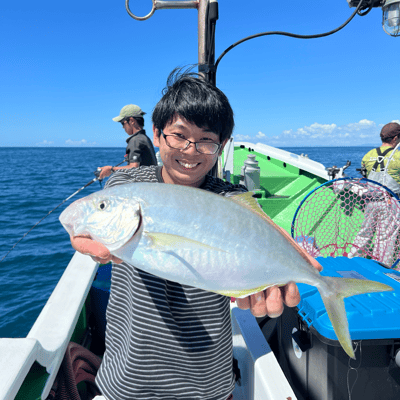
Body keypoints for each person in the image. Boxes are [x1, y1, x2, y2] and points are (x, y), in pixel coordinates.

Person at [71, 69, 321, 400]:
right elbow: (92, 222)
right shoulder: (126, 189)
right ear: (157, 134)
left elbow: (256, 230)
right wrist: (85, 233)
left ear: (221, 145)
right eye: (179, 135)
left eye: (206, 140)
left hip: (208, 382)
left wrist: (285, 266)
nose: (191, 150)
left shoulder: (230, 198)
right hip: (130, 377)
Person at [348, 122, 400, 265]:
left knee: (364, 233)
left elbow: (365, 177)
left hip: (370, 201)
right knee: (385, 239)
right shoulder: (398, 156)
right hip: (390, 202)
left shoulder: (368, 155)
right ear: (395, 138)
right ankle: (382, 268)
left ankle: (352, 261)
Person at [98, 104, 157, 180]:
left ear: (132, 121)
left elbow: (134, 168)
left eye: (123, 123)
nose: (123, 127)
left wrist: (111, 169)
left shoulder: (135, 140)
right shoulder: (144, 138)